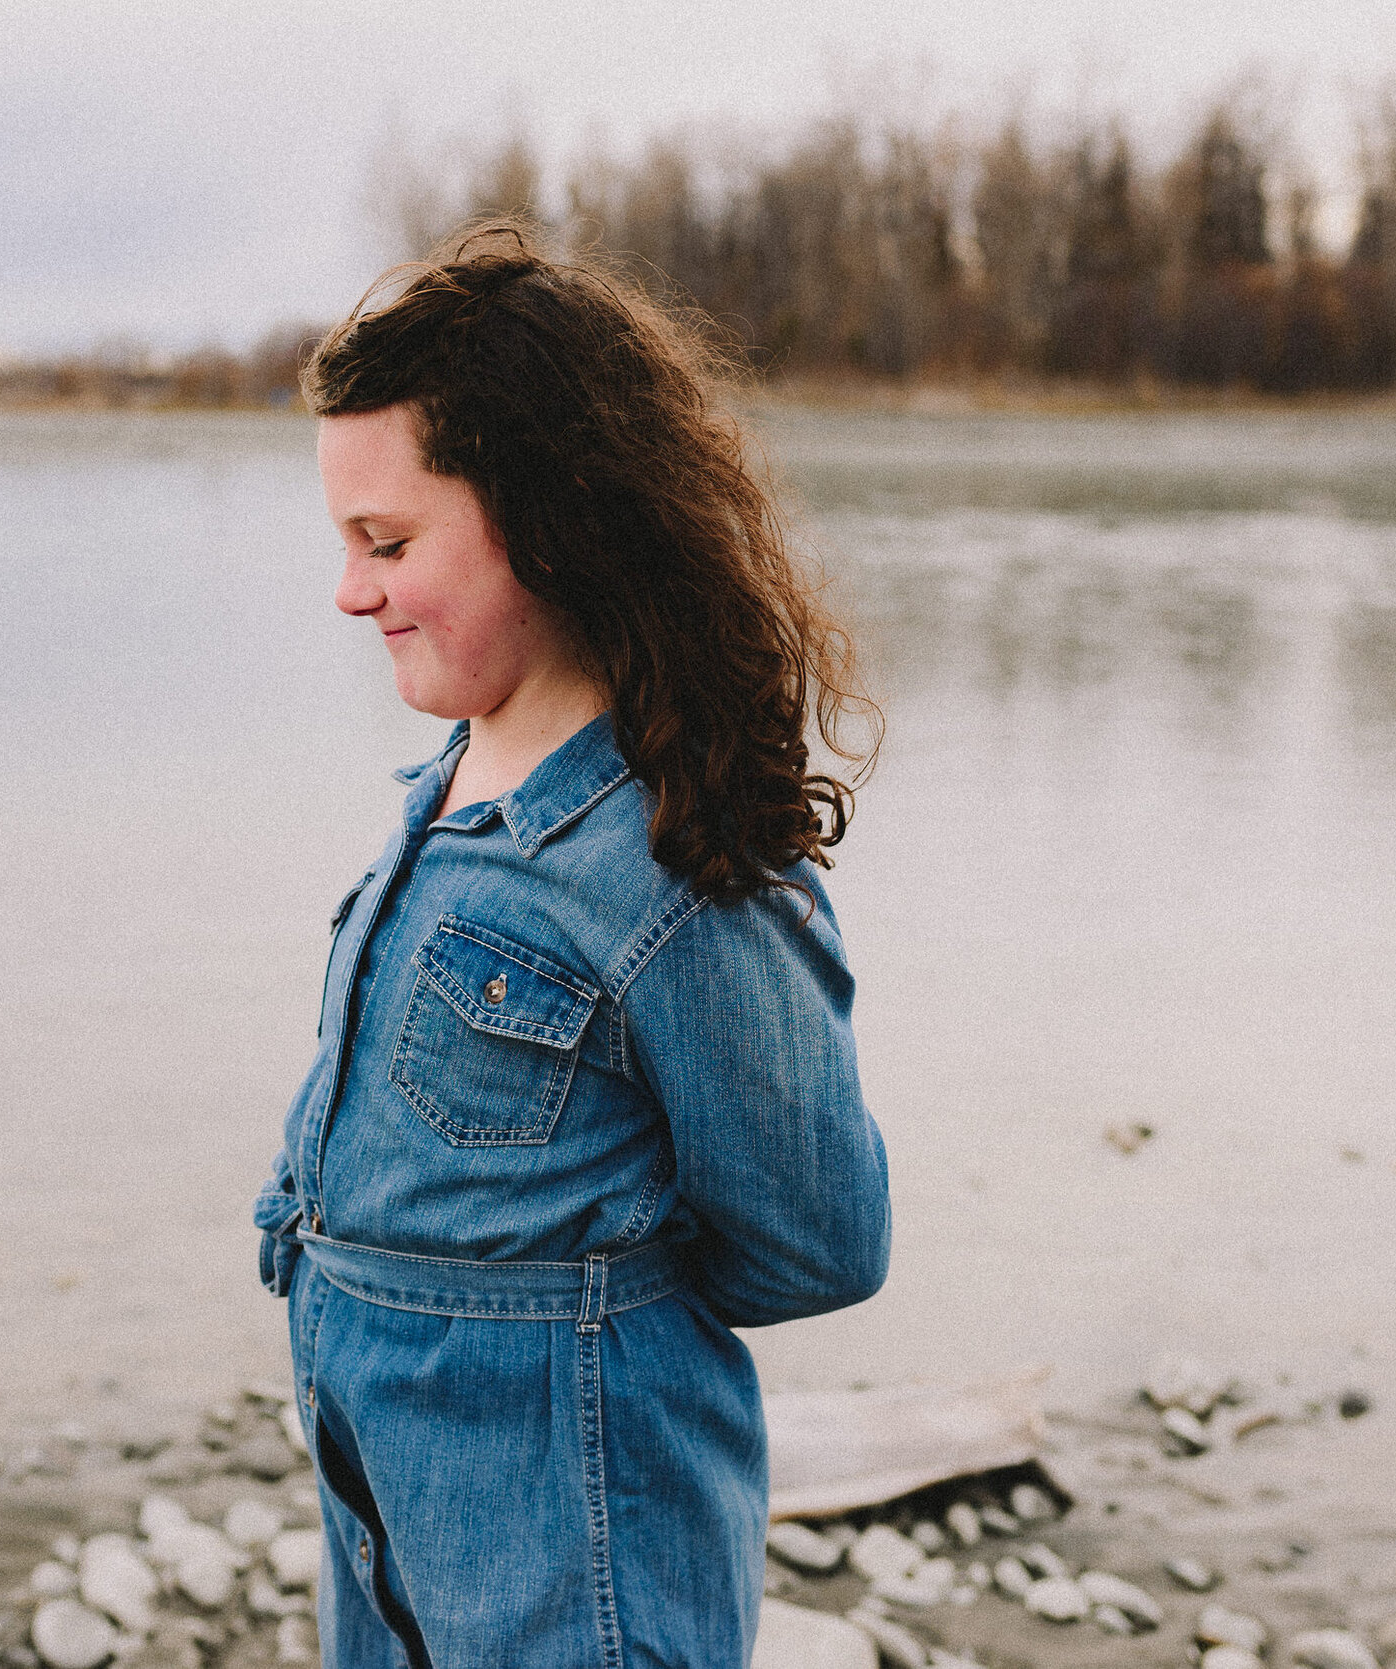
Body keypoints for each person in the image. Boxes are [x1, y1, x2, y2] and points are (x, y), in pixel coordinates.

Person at [251, 222, 891, 1669]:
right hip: (393, 1539)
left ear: (551, 520)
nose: (352, 592)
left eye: (389, 541)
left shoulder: (674, 861)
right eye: (345, 542)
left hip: (579, 1580)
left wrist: (580, 1309)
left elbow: (818, 1235)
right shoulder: (456, 783)